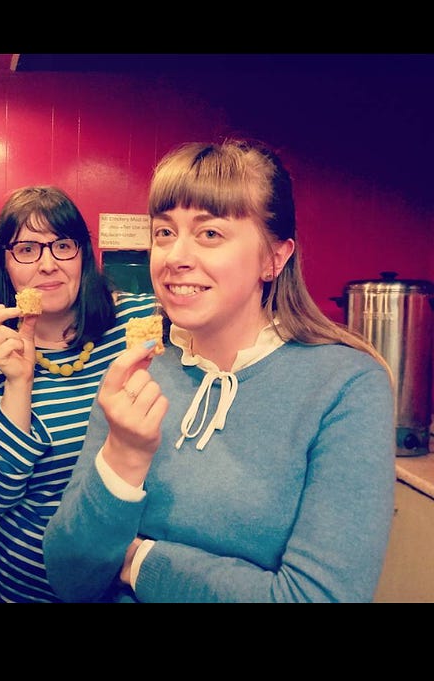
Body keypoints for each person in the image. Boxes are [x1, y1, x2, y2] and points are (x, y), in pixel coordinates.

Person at [42, 139, 397, 603]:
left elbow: (318, 597)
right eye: (164, 232)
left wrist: (140, 562)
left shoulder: (345, 386)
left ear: (274, 257)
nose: (173, 257)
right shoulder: (139, 376)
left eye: (209, 233)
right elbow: (69, 577)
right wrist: (124, 457)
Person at [0, 185, 158, 603]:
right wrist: (18, 382)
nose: (48, 265)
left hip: (127, 579)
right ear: (4, 265)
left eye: (62, 245)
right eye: (26, 249)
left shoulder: (136, 321)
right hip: (30, 583)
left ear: (83, 254)